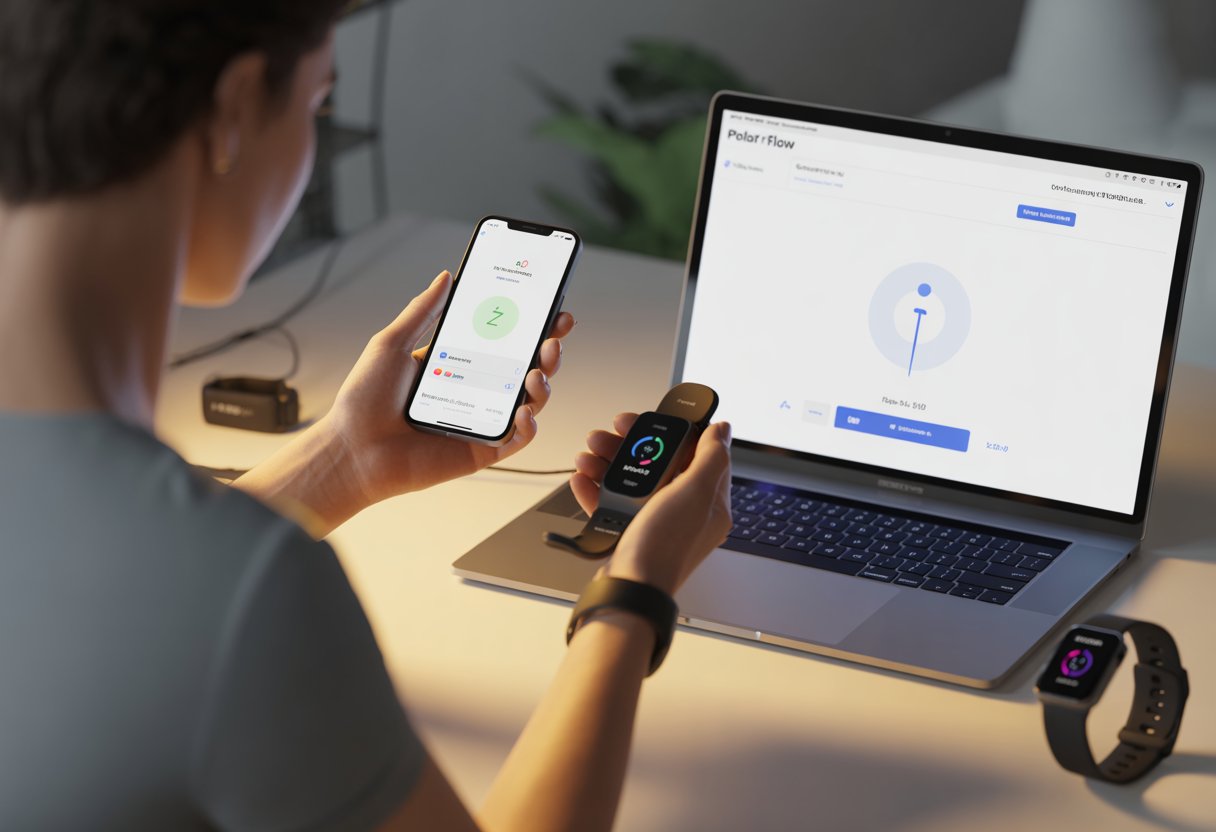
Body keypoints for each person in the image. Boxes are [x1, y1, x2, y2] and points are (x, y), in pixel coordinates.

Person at [0, 2, 733, 829]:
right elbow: (192, 597)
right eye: (318, 104)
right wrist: (634, 595)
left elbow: (120, 596)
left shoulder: (162, 564)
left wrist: (343, 460)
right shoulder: (246, 590)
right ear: (234, 107)